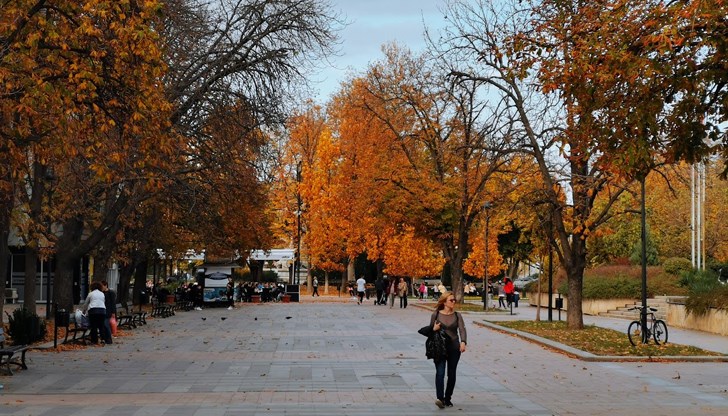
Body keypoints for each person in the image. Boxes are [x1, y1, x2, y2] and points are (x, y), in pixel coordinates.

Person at [428, 292, 467, 408]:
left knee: (451, 373)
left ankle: (448, 398)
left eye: (454, 300)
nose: (453, 302)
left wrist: (463, 342)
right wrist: (434, 328)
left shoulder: (457, 315)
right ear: (444, 302)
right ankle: (440, 398)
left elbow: (462, 329)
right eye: (451, 300)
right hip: (439, 347)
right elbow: (429, 331)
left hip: (454, 347)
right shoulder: (436, 315)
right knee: (440, 373)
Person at [82, 281, 107, 345]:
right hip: (102, 310)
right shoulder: (102, 294)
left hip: (93, 311)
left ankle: (94, 340)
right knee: (101, 325)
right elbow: (103, 302)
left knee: (94, 326)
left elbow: (86, 303)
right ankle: (103, 339)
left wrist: (84, 311)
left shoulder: (91, 294)